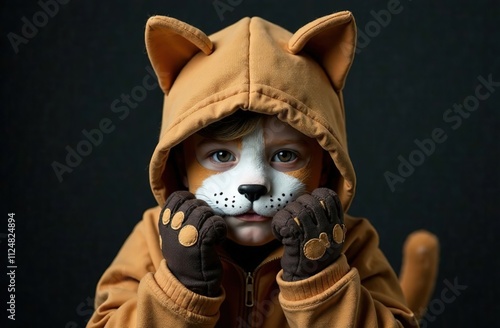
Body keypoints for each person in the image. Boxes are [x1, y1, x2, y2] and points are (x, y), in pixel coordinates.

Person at [88, 11, 438, 327]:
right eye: (221, 156)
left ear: (327, 167)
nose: (253, 183)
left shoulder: (352, 241)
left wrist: (322, 284)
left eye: (285, 156)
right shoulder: (153, 236)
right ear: (179, 165)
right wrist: (178, 290)